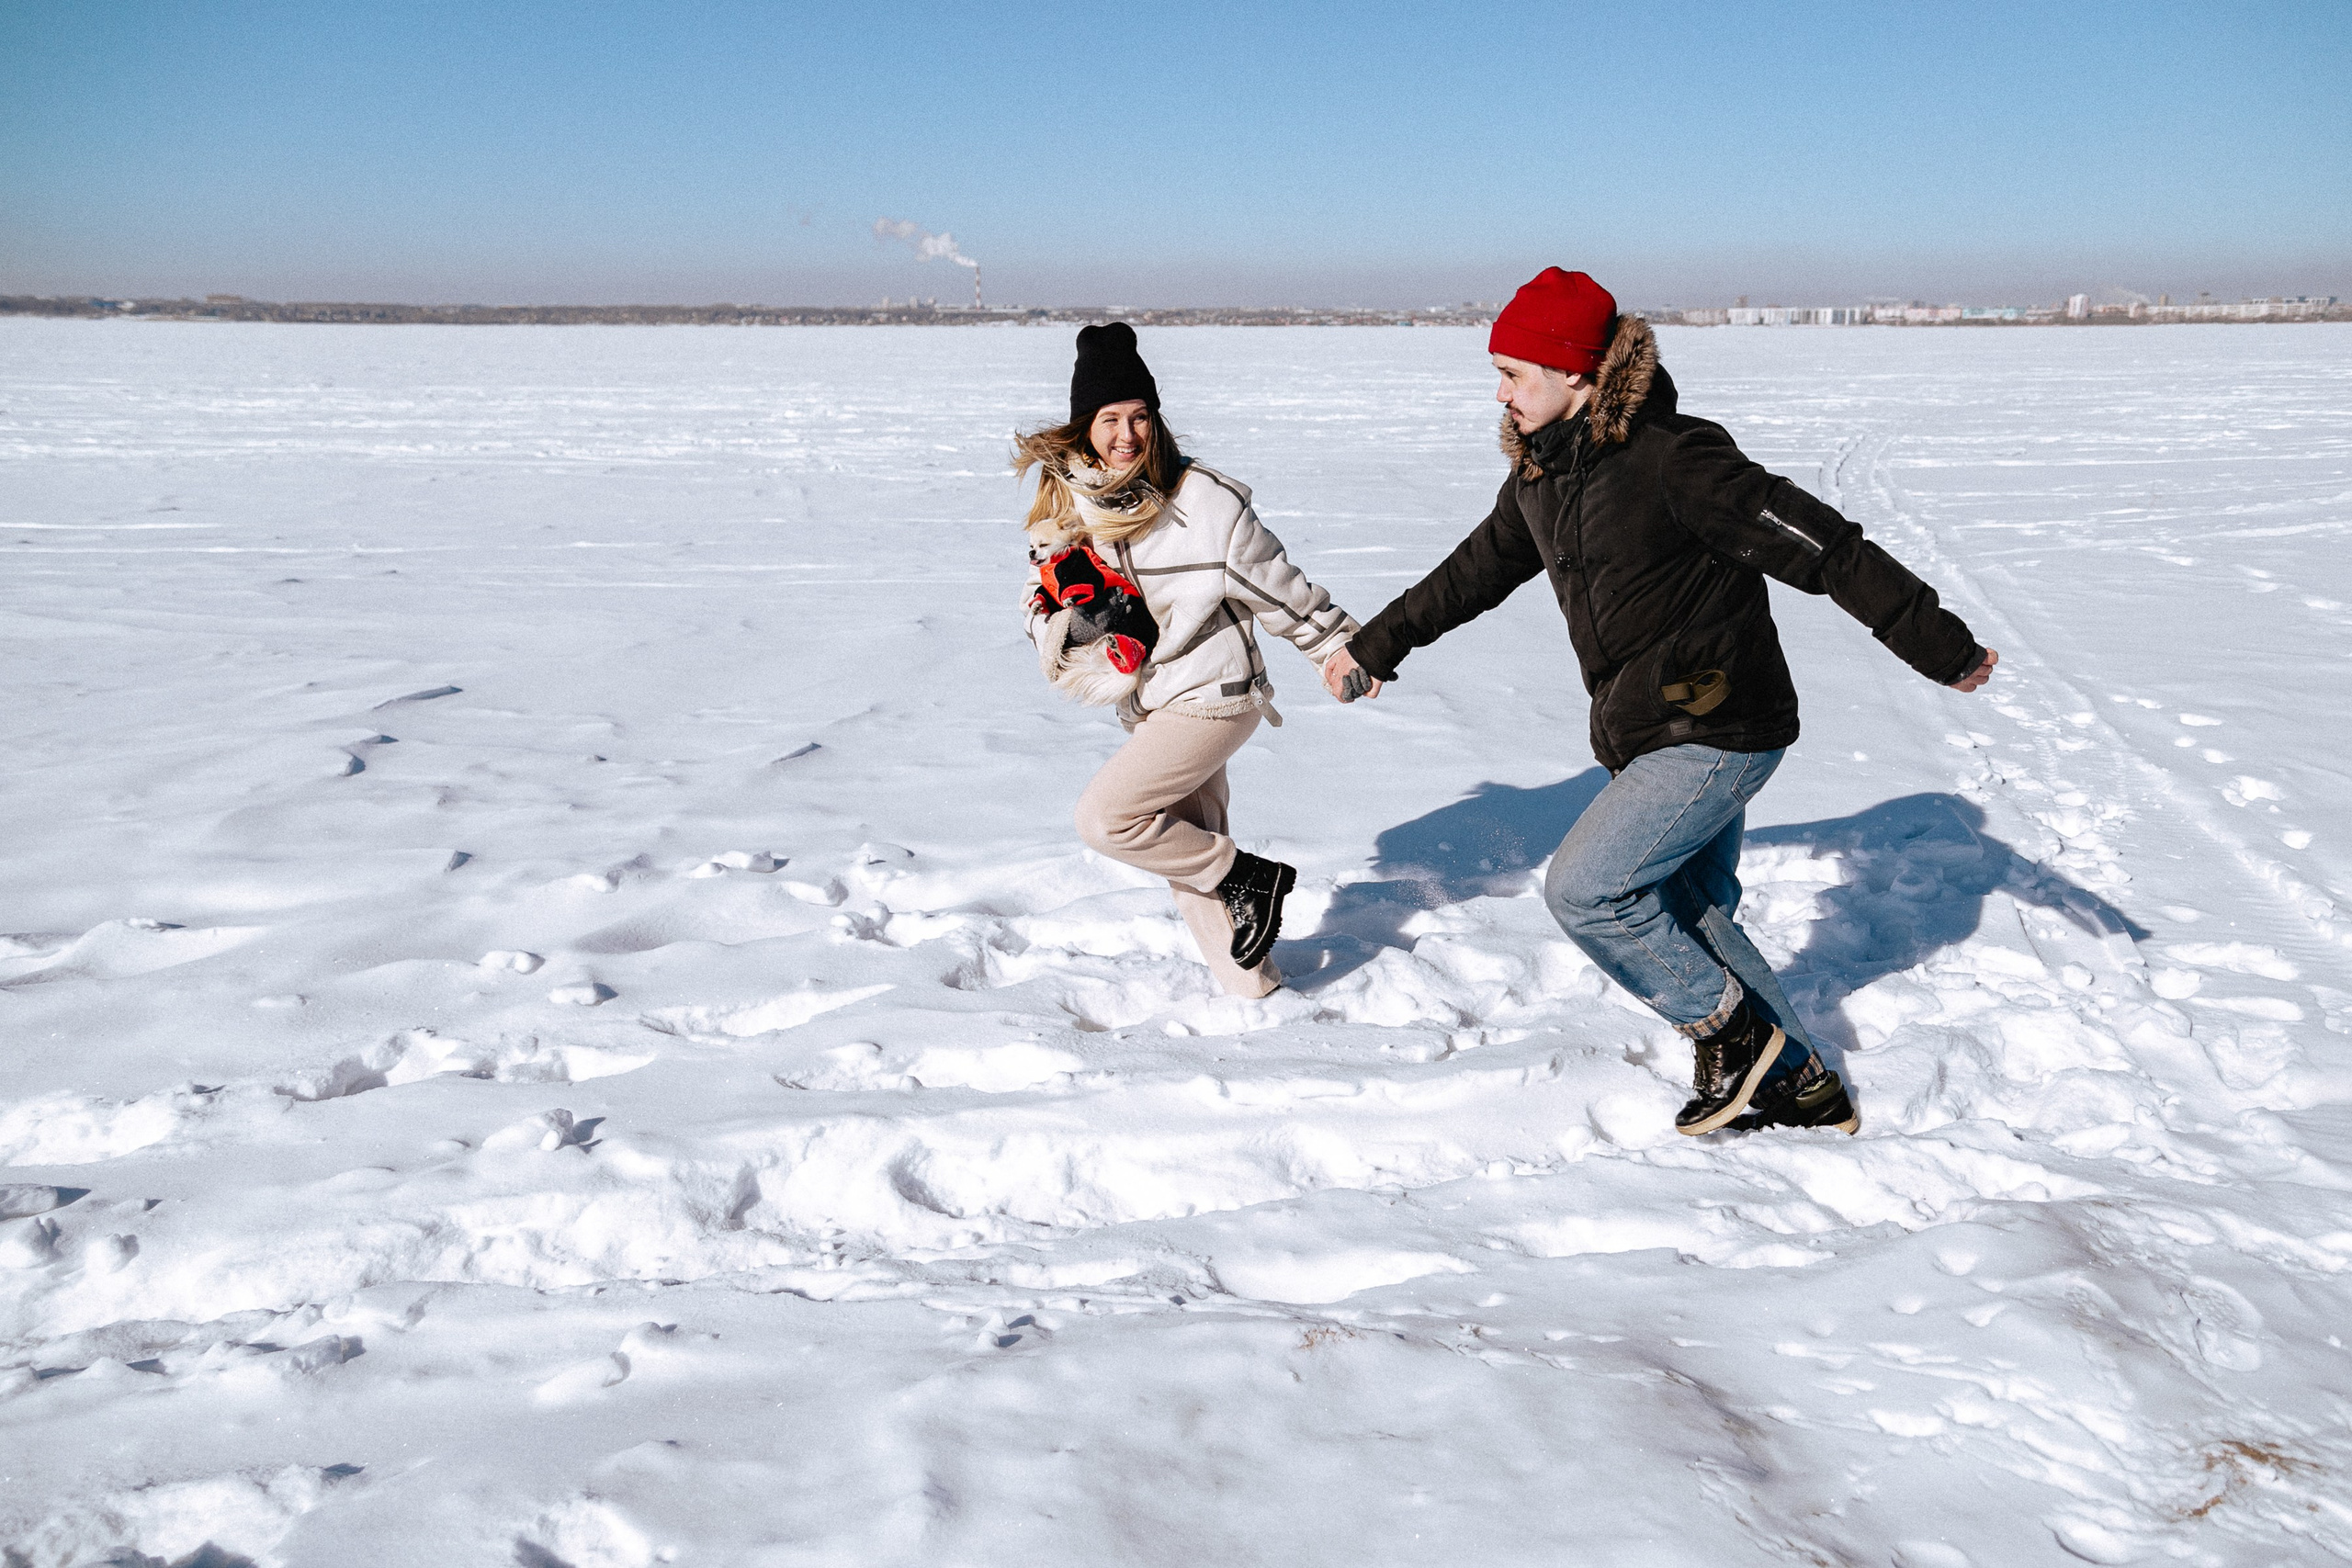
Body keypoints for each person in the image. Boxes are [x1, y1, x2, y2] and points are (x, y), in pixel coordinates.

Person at [1321, 268, 1997, 1135]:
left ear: (1578, 373)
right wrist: (1376, 647)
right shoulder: (1540, 476)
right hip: (1646, 730)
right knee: (1686, 909)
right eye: (1497, 371)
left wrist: (1939, 644)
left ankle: (1727, 1029)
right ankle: (1797, 1083)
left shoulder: (1677, 459)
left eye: (1515, 372)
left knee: (1588, 891)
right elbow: (1472, 573)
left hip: (1719, 723)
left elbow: (1822, 546)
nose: (1500, 392)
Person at [1019, 323, 1362, 998]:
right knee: (1186, 851)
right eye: (1110, 419)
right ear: (1084, 427)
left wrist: (1337, 646)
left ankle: (1249, 876)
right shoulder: (1072, 507)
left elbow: (1279, 585)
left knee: (1109, 818)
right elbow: (1037, 597)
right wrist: (1065, 626)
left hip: (1214, 695)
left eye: (1140, 417)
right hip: (1155, 699)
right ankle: (1254, 992)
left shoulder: (1202, 502)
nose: (1127, 435)